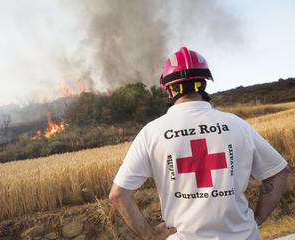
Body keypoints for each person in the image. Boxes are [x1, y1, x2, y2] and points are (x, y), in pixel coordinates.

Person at [109, 47, 290, 240]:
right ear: (203, 83)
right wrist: (257, 219)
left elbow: (118, 195)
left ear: (168, 88)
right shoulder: (236, 124)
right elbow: (278, 172)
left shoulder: (151, 133)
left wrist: (150, 235)